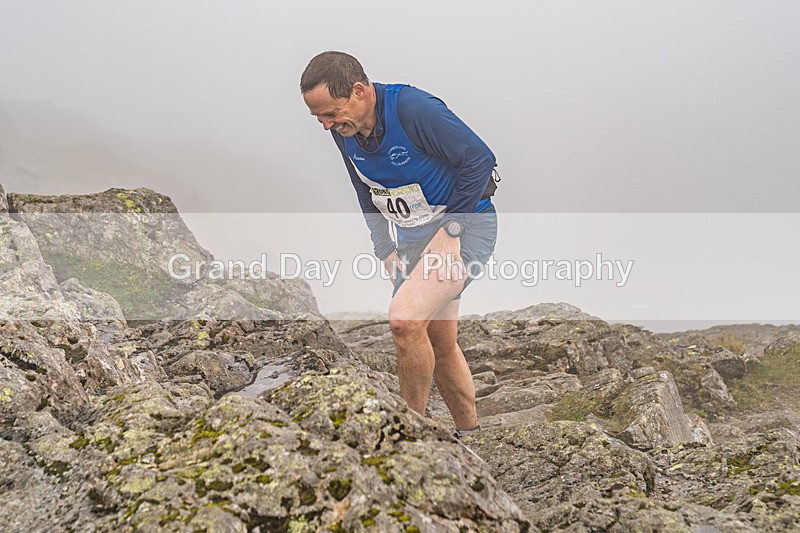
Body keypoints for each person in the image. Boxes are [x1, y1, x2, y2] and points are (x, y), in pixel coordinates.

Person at [300, 51, 498, 438]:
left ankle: (411, 439)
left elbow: (480, 159)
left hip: (466, 229)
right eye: (318, 118)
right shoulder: (347, 130)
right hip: (411, 240)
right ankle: (472, 434)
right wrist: (384, 249)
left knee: (405, 321)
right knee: (438, 337)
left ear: (359, 91)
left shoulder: (413, 109)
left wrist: (451, 231)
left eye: (330, 112)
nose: (325, 125)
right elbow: (364, 190)